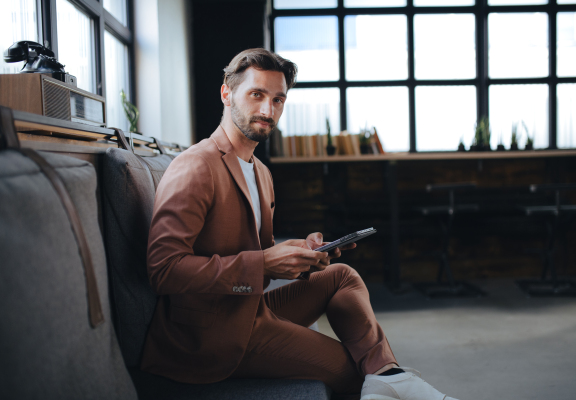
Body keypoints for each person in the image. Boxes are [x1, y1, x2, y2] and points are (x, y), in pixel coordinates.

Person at [141, 48, 459, 400]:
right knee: (351, 372)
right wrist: (264, 262)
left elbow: (253, 254)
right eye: (256, 95)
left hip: (248, 309)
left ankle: (389, 375)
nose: (268, 110)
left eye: (278, 99)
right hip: (206, 336)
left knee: (341, 276)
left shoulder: (259, 172)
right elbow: (163, 269)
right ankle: (387, 379)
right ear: (226, 94)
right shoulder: (196, 166)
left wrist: (299, 252)